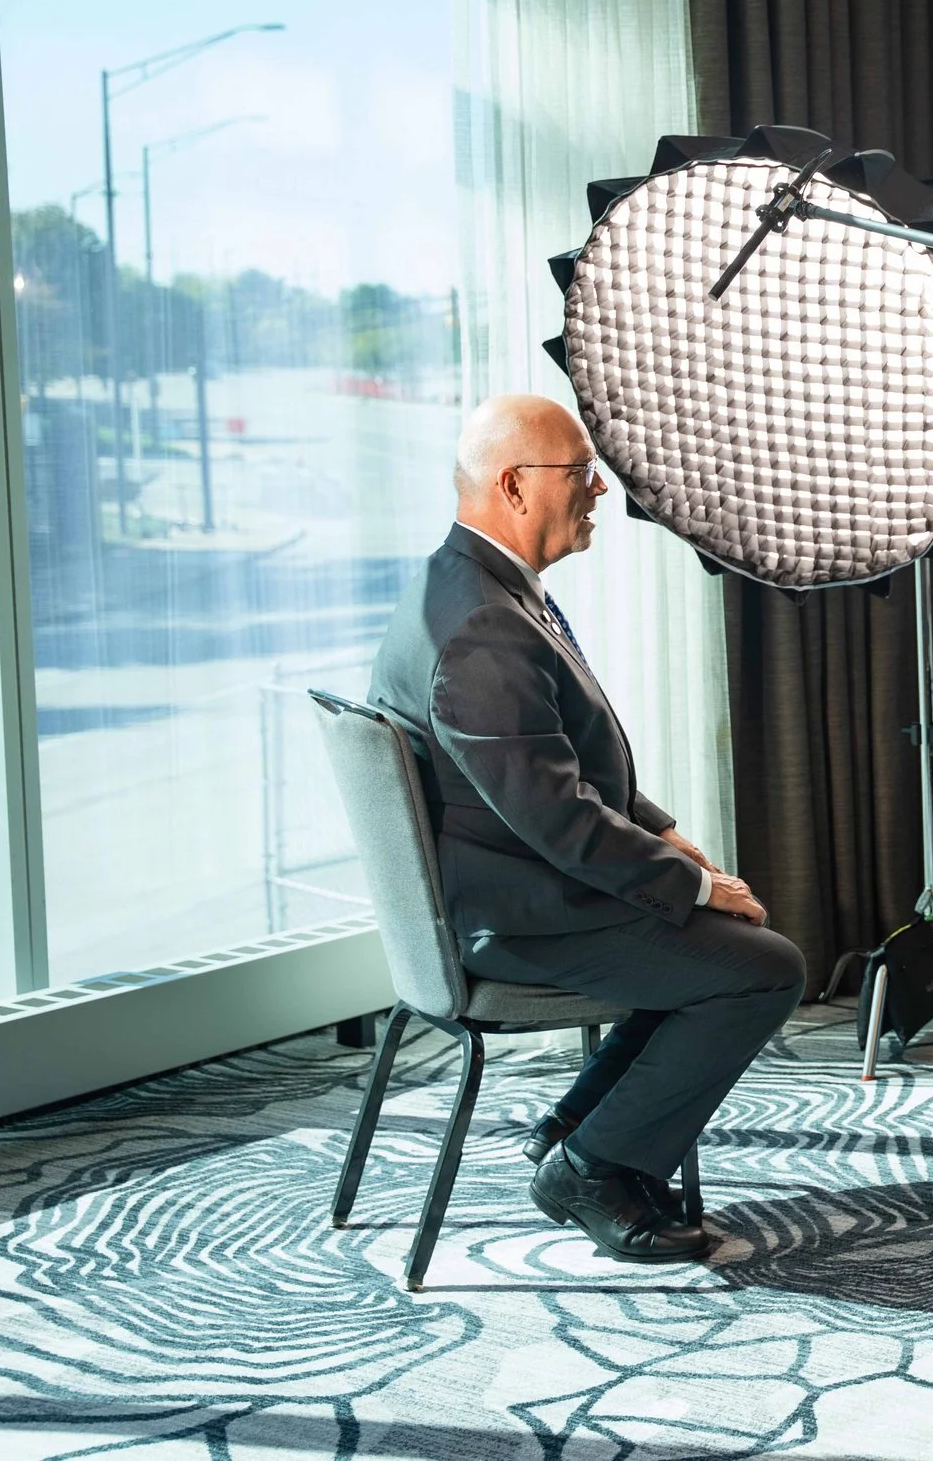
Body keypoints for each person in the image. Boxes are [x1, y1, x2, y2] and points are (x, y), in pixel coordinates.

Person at [369, 393, 803, 1262]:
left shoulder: (466, 585)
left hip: (511, 886)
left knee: (713, 946)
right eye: (578, 471)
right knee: (763, 970)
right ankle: (592, 1165)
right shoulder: (483, 628)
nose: (599, 487)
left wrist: (668, 839)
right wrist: (691, 885)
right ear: (515, 486)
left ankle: (576, 1128)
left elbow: (554, 771)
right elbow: (557, 818)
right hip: (517, 917)